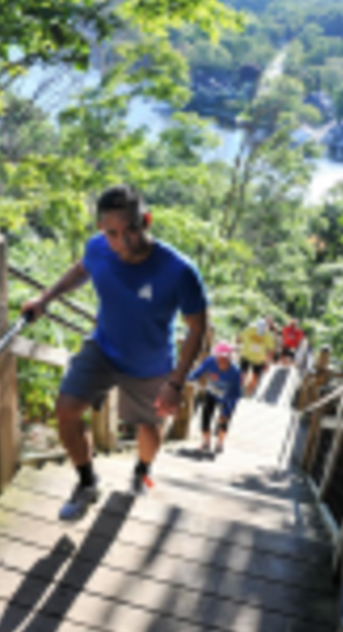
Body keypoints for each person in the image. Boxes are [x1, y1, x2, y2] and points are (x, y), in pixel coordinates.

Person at [22, 185, 208, 520]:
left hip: (151, 363)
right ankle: (87, 482)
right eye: (112, 233)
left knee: (148, 428)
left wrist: (176, 382)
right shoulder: (98, 249)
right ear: (101, 230)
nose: (123, 242)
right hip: (104, 347)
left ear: (147, 221)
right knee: (66, 410)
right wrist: (45, 299)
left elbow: (198, 327)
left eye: (131, 230)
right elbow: (82, 268)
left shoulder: (179, 270)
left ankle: (141, 471)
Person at [188, 341, 241, 455]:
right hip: (211, 393)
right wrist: (186, 378)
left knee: (224, 421)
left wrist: (227, 411)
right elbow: (198, 372)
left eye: (224, 359)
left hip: (227, 397)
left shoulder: (235, 371)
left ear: (230, 358)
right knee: (205, 417)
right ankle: (206, 441)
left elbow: (236, 394)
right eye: (219, 358)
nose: (221, 361)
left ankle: (220, 443)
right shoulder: (210, 361)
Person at [238, 318, 274, 396]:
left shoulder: (268, 334)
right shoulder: (251, 328)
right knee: (243, 373)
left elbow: (271, 350)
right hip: (248, 355)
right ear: (256, 327)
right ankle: (241, 389)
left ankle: (248, 392)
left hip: (258, 358)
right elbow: (240, 338)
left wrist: (267, 362)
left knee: (254, 377)